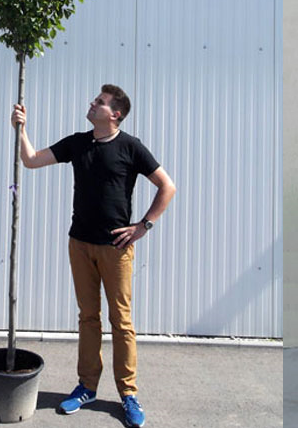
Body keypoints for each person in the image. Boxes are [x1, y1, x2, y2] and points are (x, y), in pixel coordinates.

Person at [11, 84, 175, 428]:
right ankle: (86, 387)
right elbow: (30, 161)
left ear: (115, 114)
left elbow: (167, 186)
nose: (92, 104)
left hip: (116, 249)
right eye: (95, 100)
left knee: (122, 321)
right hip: (80, 243)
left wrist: (143, 225)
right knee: (88, 317)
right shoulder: (78, 142)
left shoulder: (131, 147)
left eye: (99, 103)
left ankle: (128, 394)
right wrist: (21, 128)